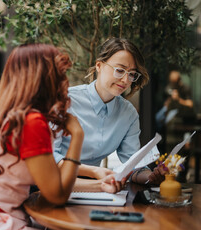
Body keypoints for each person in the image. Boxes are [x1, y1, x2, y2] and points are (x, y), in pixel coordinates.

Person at [0, 44, 124, 230]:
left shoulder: (16, 116)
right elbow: (57, 196)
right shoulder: (31, 123)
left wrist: (100, 185)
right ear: (44, 78)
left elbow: (53, 184)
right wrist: (77, 137)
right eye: (60, 75)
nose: (65, 82)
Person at [54, 38, 167, 190]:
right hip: (53, 183)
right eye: (120, 70)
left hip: (97, 189)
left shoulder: (128, 114)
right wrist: (95, 172)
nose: (126, 80)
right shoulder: (66, 101)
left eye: (132, 74)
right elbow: (48, 157)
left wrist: (150, 177)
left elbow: (132, 166)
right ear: (99, 65)